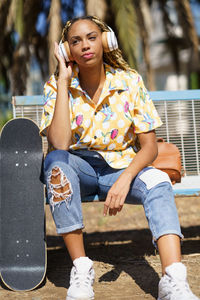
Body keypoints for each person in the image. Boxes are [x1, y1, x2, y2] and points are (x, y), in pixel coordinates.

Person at [40, 15, 199, 300]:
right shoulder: (57, 86)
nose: (85, 46)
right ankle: (81, 268)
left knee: (158, 182)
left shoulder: (129, 81)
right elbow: (60, 144)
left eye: (91, 37)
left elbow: (149, 148)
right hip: (80, 168)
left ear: (105, 40)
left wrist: (126, 178)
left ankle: (173, 280)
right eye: (75, 41)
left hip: (125, 167)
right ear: (67, 50)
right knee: (56, 165)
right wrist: (64, 82)